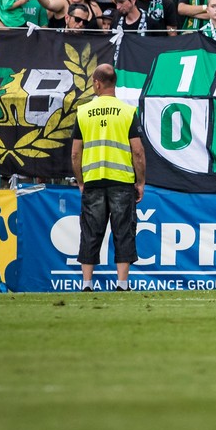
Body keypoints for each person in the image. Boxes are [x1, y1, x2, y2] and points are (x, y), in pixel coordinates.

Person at [71, 63, 145, 292]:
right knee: (123, 232)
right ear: (114, 83)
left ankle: (86, 284)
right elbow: (138, 152)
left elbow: (75, 153)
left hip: (93, 180)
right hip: (122, 180)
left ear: (97, 83)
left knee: (90, 232)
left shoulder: (83, 112)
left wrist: (80, 181)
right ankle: (122, 284)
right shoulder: (127, 112)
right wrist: (140, 182)